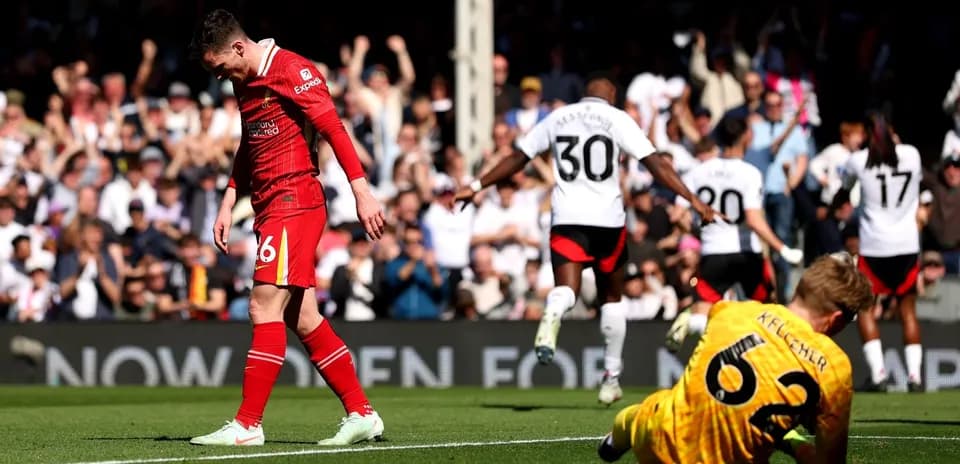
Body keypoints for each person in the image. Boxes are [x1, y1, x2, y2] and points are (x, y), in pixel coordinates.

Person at [455, 73, 717, 406]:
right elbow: (655, 165)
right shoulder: (617, 118)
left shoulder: (557, 117)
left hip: (566, 218)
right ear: (610, 95)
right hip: (607, 221)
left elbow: (517, 158)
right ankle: (611, 378)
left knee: (566, 289)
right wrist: (693, 200)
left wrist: (476, 186)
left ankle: (554, 309)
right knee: (611, 298)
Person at [187, 9, 386, 446]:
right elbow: (250, 140)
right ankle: (362, 414)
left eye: (220, 66)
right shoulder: (245, 81)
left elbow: (333, 127)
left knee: (262, 307)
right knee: (303, 317)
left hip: (294, 201)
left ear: (238, 47)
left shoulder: (293, 70)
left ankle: (247, 424)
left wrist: (362, 192)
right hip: (268, 206)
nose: (221, 77)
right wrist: (227, 199)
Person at [598, 253, 874, 463]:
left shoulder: (732, 311)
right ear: (837, 318)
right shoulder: (834, 365)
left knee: (654, 407)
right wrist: (795, 444)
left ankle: (617, 438)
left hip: (659, 440)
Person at [664, 116, 803, 353]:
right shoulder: (750, 173)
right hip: (747, 254)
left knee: (703, 308)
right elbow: (754, 220)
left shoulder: (699, 172)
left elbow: (677, 215)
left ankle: (690, 322)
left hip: (713, 254)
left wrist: (700, 233)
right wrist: (783, 248)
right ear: (745, 136)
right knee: (767, 310)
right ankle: (765, 365)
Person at [842, 112, 923, 392]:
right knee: (908, 311)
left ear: (866, 135)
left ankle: (878, 375)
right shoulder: (911, 154)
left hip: (874, 246)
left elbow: (844, 187)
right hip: (906, 245)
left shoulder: (858, 160)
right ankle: (915, 377)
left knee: (865, 309)